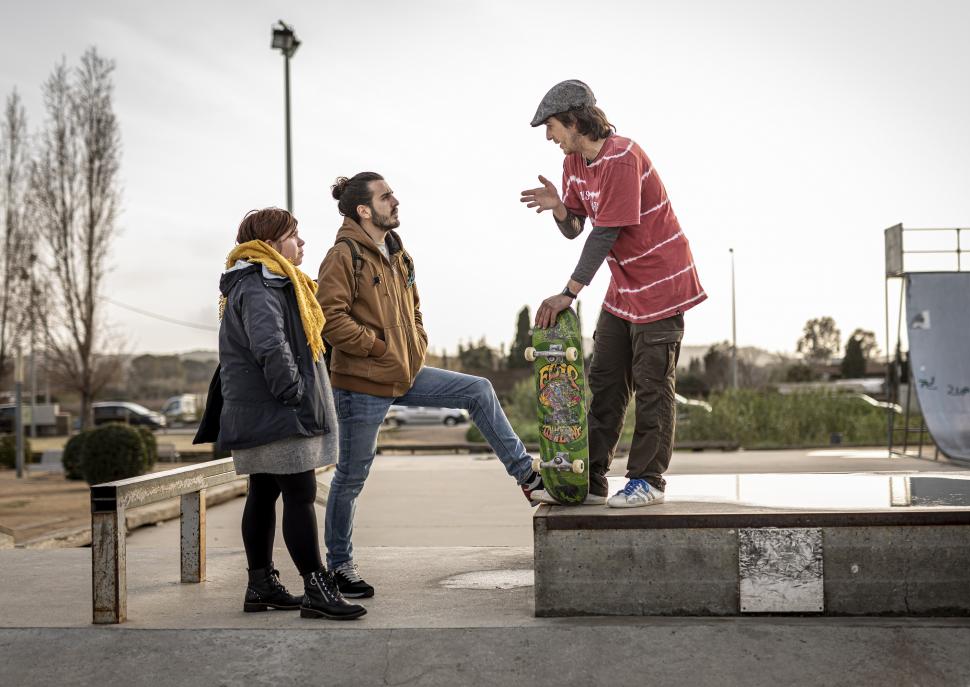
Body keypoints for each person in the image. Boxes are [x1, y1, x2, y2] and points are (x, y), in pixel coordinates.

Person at [317, 173, 541, 597]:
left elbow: (415, 309)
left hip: (404, 371)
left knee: (477, 389)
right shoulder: (343, 256)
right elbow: (331, 318)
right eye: (386, 197)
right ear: (364, 209)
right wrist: (379, 347)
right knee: (351, 476)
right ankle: (340, 566)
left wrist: (416, 344)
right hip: (362, 381)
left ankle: (527, 476)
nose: (395, 201)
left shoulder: (399, 254)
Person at [520, 80, 706, 508]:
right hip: (624, 288)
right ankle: (591, 479)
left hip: (661, 284)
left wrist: (568, 293)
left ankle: (649, 481)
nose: (549, 137)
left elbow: (606, 233)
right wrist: (560, 208)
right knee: (604, 381)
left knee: (652, 384)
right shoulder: (574, 165)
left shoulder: (623, 156)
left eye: (551, 127)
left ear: (573, 119)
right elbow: (576, 229)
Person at [206, 207, 366, 621]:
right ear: (272, 243)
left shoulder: (262, 281)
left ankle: (260, 586)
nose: (302, 243)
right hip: (276, 412)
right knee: (299, 493)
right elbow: (270, 345)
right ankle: (316, 588)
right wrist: (294, 393)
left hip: (261, 411)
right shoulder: (261, 284)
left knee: (263, 491)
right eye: (295, 235)